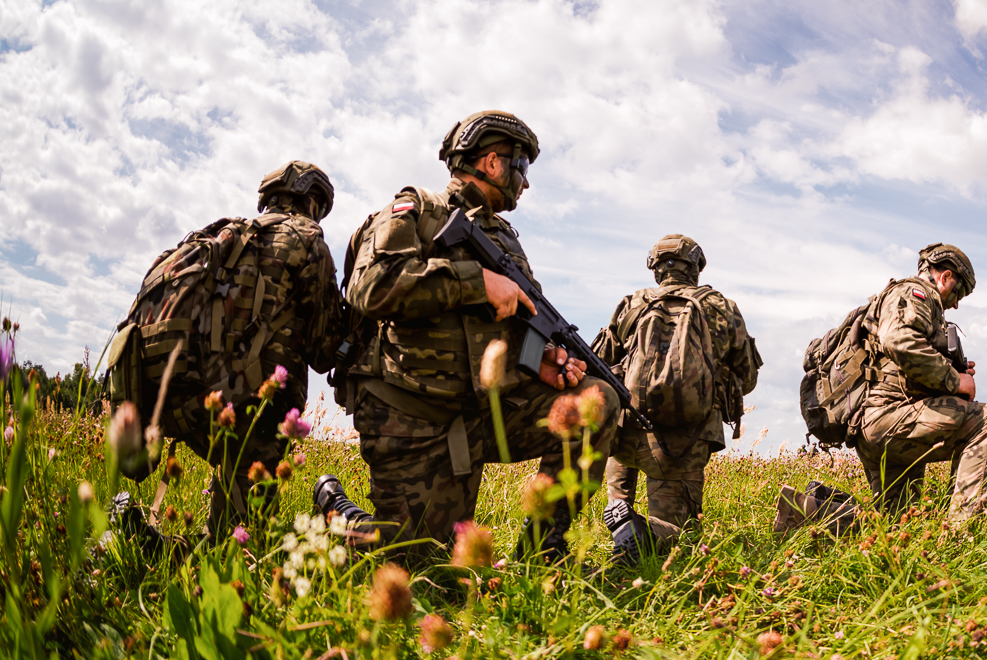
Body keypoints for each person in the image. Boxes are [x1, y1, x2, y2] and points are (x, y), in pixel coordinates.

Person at [323, 110, 620, 560]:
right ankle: (337, 512)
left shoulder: (505, 240)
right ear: (494, 162)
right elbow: (372, 286)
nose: (525, 183)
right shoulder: (416, 210)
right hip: (413, 422)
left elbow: (511, 324)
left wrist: (539, 359)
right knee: (422, 569)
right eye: (522, 168)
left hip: (482, 417)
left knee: (597, 398)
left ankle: (541, 553)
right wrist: (475, 281)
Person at [106, 160, 343, 537]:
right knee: (246, 541)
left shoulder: (222, 236)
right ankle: (139, 540)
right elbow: (325, 349)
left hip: (179, 393)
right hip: (250, 408)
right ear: (314, 201)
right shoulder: (306, 238)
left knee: (230, 529)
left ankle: (138, 535)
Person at [590, 235, 761, 561]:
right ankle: (641, 536)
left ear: (655, 270)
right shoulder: (720, 307)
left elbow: (598, 361)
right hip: (683, 439)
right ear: (696, 267)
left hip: (624, 434)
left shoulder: (632, 304)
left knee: (622, 522)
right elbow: (748, 378)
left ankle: (623, 541)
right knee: (678, 535)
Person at [853, 243, 987, 519]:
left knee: (899, 523)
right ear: (946, 277)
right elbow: (898, 340)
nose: (956, 303)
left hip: (878, 424)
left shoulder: (896, 300)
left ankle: (810, 517)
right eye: (959, 292)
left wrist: (951, 370)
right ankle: (961, 535)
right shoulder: (917, 293)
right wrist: (955, 381)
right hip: (891, 417)